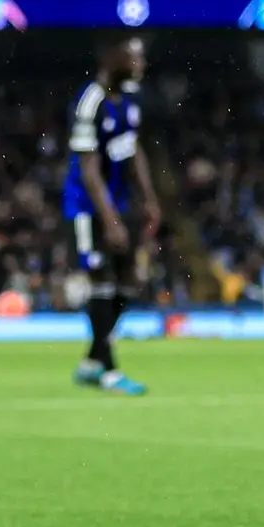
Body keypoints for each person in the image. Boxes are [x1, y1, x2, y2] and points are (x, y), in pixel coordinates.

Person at [63, 37, 161, 396]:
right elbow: (89, 169)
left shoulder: (129, 99)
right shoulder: (91, 102)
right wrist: (110, 220)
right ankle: (108, 370)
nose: (140, 63)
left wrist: (150, 199)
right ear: (112, 58)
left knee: (129, 282)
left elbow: (133, 151)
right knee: (101, 280)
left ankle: (92, 360)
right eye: (134, 56)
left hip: (118, 206)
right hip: (89, 210)